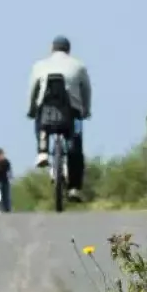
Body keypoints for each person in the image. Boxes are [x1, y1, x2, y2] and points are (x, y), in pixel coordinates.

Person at [26, 35, 91, 202]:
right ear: (68, 50)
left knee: (39, 119)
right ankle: (74, 187)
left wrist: (32, 110)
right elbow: (87, 91)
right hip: (72, 114)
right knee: (75, 146)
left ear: (52, 49)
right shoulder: (79, 66)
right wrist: (85, 110)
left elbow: (33, 90)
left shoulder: (39, 66)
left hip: (46, 113)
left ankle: (42, 151)